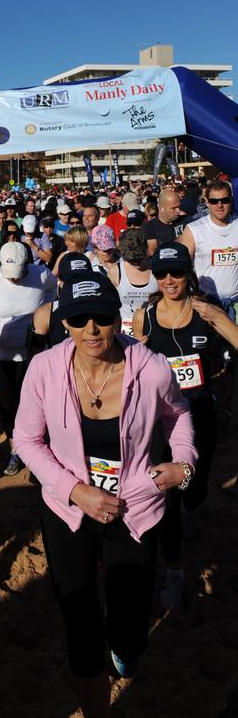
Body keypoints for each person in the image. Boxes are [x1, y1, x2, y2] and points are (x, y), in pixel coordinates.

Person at [14, 272, 196, 717]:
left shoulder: (150, 368)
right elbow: (26, 440)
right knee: (80, 621)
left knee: (131, 628)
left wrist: (183, 464)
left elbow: (178, 414)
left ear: (117, 318)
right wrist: (76, 491)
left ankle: (127, 645)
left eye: (100, 318)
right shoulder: (44, 368)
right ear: (65, 324)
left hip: (136, 507)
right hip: (68, 510)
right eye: (78, 320)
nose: (90, 330)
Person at [132, 242, 238, 609]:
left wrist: (221, 319)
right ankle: (174, 572)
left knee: (195, 490)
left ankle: (194, 508)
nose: (169, 280)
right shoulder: (143, 315)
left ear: (188, 273)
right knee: (169, 497)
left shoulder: (206, 310)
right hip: (160, 421)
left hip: (199, 412)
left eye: (176, 272)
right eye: (161, 274)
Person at [0, 242, 56, 475]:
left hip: (33, 356)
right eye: (9, 274)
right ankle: (16, 450)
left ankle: (38, 451)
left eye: (18, 274)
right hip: (0, 355)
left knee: (35, 405)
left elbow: (53, 292)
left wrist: (45, 314)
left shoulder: (41, 275)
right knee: (8, 404)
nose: (13, 280)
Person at [178, 179, 238, 311]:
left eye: (225, 200)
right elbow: (179, 265)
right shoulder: (194, 229)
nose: (220, 205)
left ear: (231, 200)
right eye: (214, 201)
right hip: (206, 303)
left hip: (235, 302)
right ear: (207, 202)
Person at [28, 253, 93, 356]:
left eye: (83, 281)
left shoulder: (102, 310)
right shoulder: (45, 312)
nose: (77, 287)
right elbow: (34, 358)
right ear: (59, 280)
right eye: (71, 281)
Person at [107, 229, 158, 337]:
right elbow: (109, 306)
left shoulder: (157, 270)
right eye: (131, 260)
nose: (136, 262)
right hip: (125, 333)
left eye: (139, 258)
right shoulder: (115, 272)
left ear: (146, 250)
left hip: (153, 329)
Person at [143, 189, 188, 256]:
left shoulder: (185, 221)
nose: (178, 210)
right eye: (174, 208)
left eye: (178, 207)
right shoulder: (149, 227)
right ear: (162, 209)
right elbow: (152, 253)